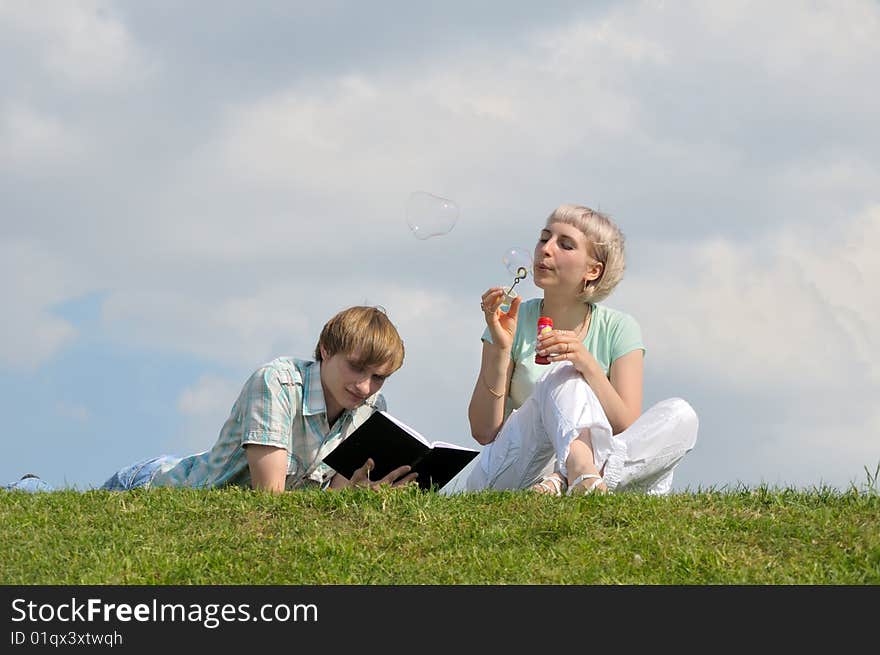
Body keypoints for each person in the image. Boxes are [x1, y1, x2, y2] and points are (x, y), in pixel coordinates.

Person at [4, 306, 417, 494]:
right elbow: (270, 500)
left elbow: (330, 494)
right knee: (51, 500)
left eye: (379, 378)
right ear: (326, 350)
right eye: (357, 369)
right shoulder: (277, 383)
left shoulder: (370, 412)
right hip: (156, 486)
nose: (365, 387)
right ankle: (30, 486)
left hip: (192, 469)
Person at [465, 204, 698, 496]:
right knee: (562, 373)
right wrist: (501, 349)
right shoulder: (510, 320)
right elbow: (484, 431)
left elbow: (625, 426)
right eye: (544, 238)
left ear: (593, 270)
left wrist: (586, 363)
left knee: (682, 414)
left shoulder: (620, 328)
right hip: (511, 473)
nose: (546, 249)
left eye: (565, 244)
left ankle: (570, 480)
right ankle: (581, 475)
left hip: (575, 471)